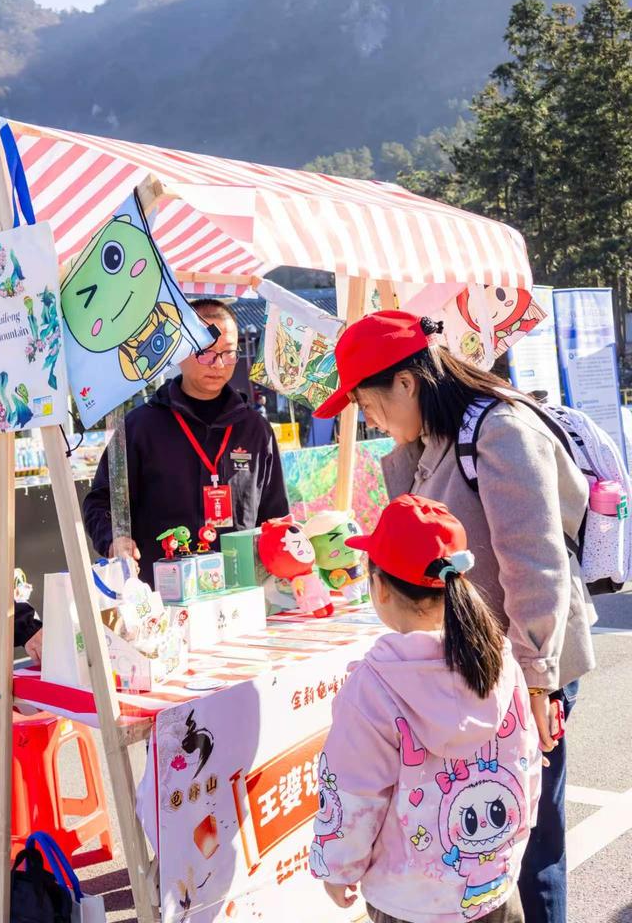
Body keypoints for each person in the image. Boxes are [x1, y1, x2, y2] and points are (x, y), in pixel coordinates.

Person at [314, 310, 595, 923]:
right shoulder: (431, 441)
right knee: (472, 835)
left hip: (528, 665)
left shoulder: (500, 429)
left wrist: (539, 682)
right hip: (476, 666)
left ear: (406, 382)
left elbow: (536, 563)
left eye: (367, 402)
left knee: (529, 838)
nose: (369, 419)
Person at [311, 494, 541, 923]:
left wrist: (338, 868)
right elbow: (525, 762)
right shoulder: (499, 661)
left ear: (379, 587)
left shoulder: (374, 686)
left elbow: (353, 793)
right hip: (492, 887)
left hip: (409, 901)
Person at [83, 299, 289, 587]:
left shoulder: (255, 429)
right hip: (163, 596)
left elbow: (275, 515)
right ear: (179, 349)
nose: (218, 364)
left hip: (242, 591)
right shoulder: (140, 427)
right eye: (205, 352)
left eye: (228, 353)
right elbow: (100, 501)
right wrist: (114, 539)